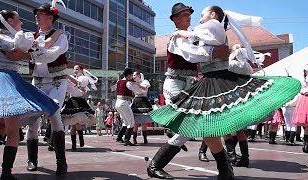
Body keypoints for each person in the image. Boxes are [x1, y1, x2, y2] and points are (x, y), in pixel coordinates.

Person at [148, 4, 301, 180]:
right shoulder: (177, 38)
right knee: (193, 127)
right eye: (183, 15)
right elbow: (194, 54)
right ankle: (161, 162)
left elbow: (209, 49)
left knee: (203, 125)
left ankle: (223, 168)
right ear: (174, 19)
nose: (188, 17)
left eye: (189, 14)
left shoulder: (198, 34)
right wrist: (215, 52)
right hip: (175, 84)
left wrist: (220, 52)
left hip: (192, 83)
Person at [0, 10, 60, 180]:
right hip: (7, 82)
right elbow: (41, 50)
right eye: (18, 20)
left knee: (2, 126)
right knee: (12, 130)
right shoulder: (17, 39)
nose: (21, 24)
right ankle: (6, 172)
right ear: (10, 21)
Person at [4, 3, 69, 176]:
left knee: (54, 113)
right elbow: (12, 47)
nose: (36, 17)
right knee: (32, 122)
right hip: (38, 81)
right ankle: (32, 159)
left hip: (57, 81)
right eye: (36, 14)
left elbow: (51, 55)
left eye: (40, 14)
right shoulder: (30, 36)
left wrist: (26, 55)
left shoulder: (60, 36)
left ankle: (61, 162)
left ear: (50, 17)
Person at [61, 65, 98, 151]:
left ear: (81, 70)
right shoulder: (72, 77)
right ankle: (74, 145)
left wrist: (67, 76)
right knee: (73, 124)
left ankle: (80, 138)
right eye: (74, 69)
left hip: (80, 101)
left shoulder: (84, 78)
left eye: (77, 69)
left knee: (78, 123)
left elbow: (78, 83)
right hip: (72, 101)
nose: (75, 71)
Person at [115, 68, 143, 146]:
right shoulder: (128, 83)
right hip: (124, 103)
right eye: (131, 75)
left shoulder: (119, 81)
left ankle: (119, 137)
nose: (132, 77)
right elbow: (137, 91)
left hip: (118, 102)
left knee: (126, 122)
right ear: (129, 75)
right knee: (131, 122)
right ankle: (127, 139)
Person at [132, 71, 153, 144]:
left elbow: (144, 89)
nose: (133, 76)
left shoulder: (145, 81)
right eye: (133, 75)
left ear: (138, 75)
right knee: (136, 122)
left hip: (143, 100)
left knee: (143, 122)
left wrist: (137, 85)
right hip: (136, 100)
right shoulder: (133, 83)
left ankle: (145, 138)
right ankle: (134, 139)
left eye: (134, 75)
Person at [292, 65, 308, 152]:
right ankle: (306, 144)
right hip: (305, 99)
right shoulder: (303, 80)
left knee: (306, 124)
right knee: (306, 124)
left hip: (303, 100)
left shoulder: (302, 79)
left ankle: (305, 144)